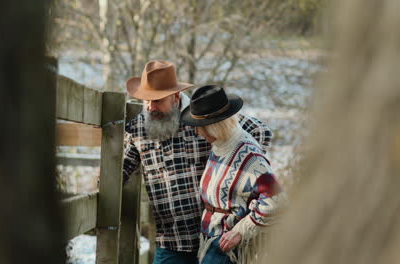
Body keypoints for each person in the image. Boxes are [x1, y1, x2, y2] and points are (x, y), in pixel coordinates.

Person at [123, 60, 273, 264]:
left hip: (214, 236)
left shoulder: (203, 116)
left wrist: (236, 173)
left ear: (175, 97)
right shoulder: (137, 128)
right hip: (172, 239)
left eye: (157, 101)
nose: (150, 107)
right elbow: (119, 170)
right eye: (146, 100)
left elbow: (261, 131)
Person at [180, 85, 287, 264]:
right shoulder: (221, 144)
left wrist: (239, 232)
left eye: (201, 127)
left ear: (215, 126)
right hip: (211, 240)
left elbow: (276, 200)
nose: (197, 132)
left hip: (227, 247)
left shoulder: (250, 156)